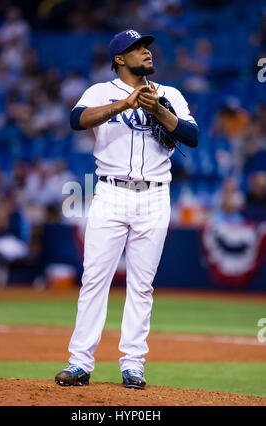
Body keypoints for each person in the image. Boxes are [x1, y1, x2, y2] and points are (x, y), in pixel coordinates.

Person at [55, 29, 199, 389]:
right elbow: (77, 120)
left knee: (141, 286)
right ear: (119, 59)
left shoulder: (170, 94)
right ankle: (79, 364)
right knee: (94, 281)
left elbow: (192, 136)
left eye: (146, 46)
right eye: (136, 48)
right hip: (110, 192)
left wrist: (160, 112)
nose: (146, 52)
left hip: (154, 195)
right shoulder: (100, 92)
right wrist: (125, 104)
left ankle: (133, 365)